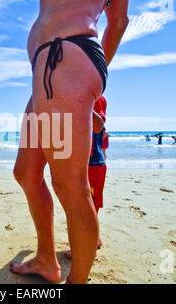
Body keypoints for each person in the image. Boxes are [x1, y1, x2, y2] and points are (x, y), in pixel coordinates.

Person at [11, 0, 130, 284]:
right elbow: (115, 22)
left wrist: (80, 71)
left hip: (63, 57)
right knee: (26, 173)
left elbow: (118, 23)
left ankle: (77, 281)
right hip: (50, 65)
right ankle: (46, 260)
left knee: (69, 186)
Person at [65, 96, 108, 260]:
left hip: (94, 164)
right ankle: (94, 238)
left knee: (89, 207)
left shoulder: (97, 99)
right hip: (79, 162)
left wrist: (80, 103)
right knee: (81, 205)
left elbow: (98, 125)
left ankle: (86, 247)